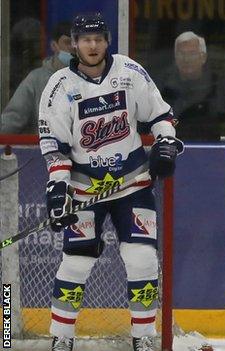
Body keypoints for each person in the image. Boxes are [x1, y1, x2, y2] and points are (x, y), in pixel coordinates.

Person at [38, 13, 183, 351]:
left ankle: (144, 338)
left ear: (107, 41)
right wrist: (58, 187)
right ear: (74, 43)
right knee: (76, 261)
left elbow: (161, 116)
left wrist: (164, 143)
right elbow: (54, 145)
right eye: (85, 40)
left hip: (132, 186)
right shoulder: (60, 85)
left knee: (142, 259)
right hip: (83, 189)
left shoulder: (130, 72)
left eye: (98, 39)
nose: (92, 45)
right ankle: (61, 336)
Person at [0, 22, 73, 134]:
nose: (73, 47)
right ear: (54, 45)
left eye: (76, 42)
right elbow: (11, 120)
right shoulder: (36, 79)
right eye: (68, 42)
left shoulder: (91, 78)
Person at [157, 31, 218, 141]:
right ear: (175, 57)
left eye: (192, 54)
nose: (186, 59)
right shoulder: (162, 87)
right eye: (181, 54)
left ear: (203, 57)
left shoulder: (216, 86)